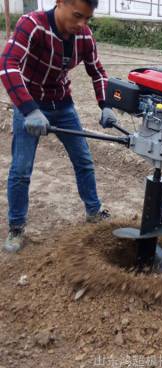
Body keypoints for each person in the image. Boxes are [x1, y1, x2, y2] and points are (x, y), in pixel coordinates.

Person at [0, 0, 118, 253]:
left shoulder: (84, 35)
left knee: (84, 160)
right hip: (30, 105)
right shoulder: (31, 25)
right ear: (60, 2)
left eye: (87, 19)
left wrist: (105, 104)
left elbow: (97, 71)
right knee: (21, 170)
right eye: (77, 16)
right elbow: (8, 65)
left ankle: (94, 211)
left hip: (62, 104)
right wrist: (30, 110)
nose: (82, 24)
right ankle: (17, 227)